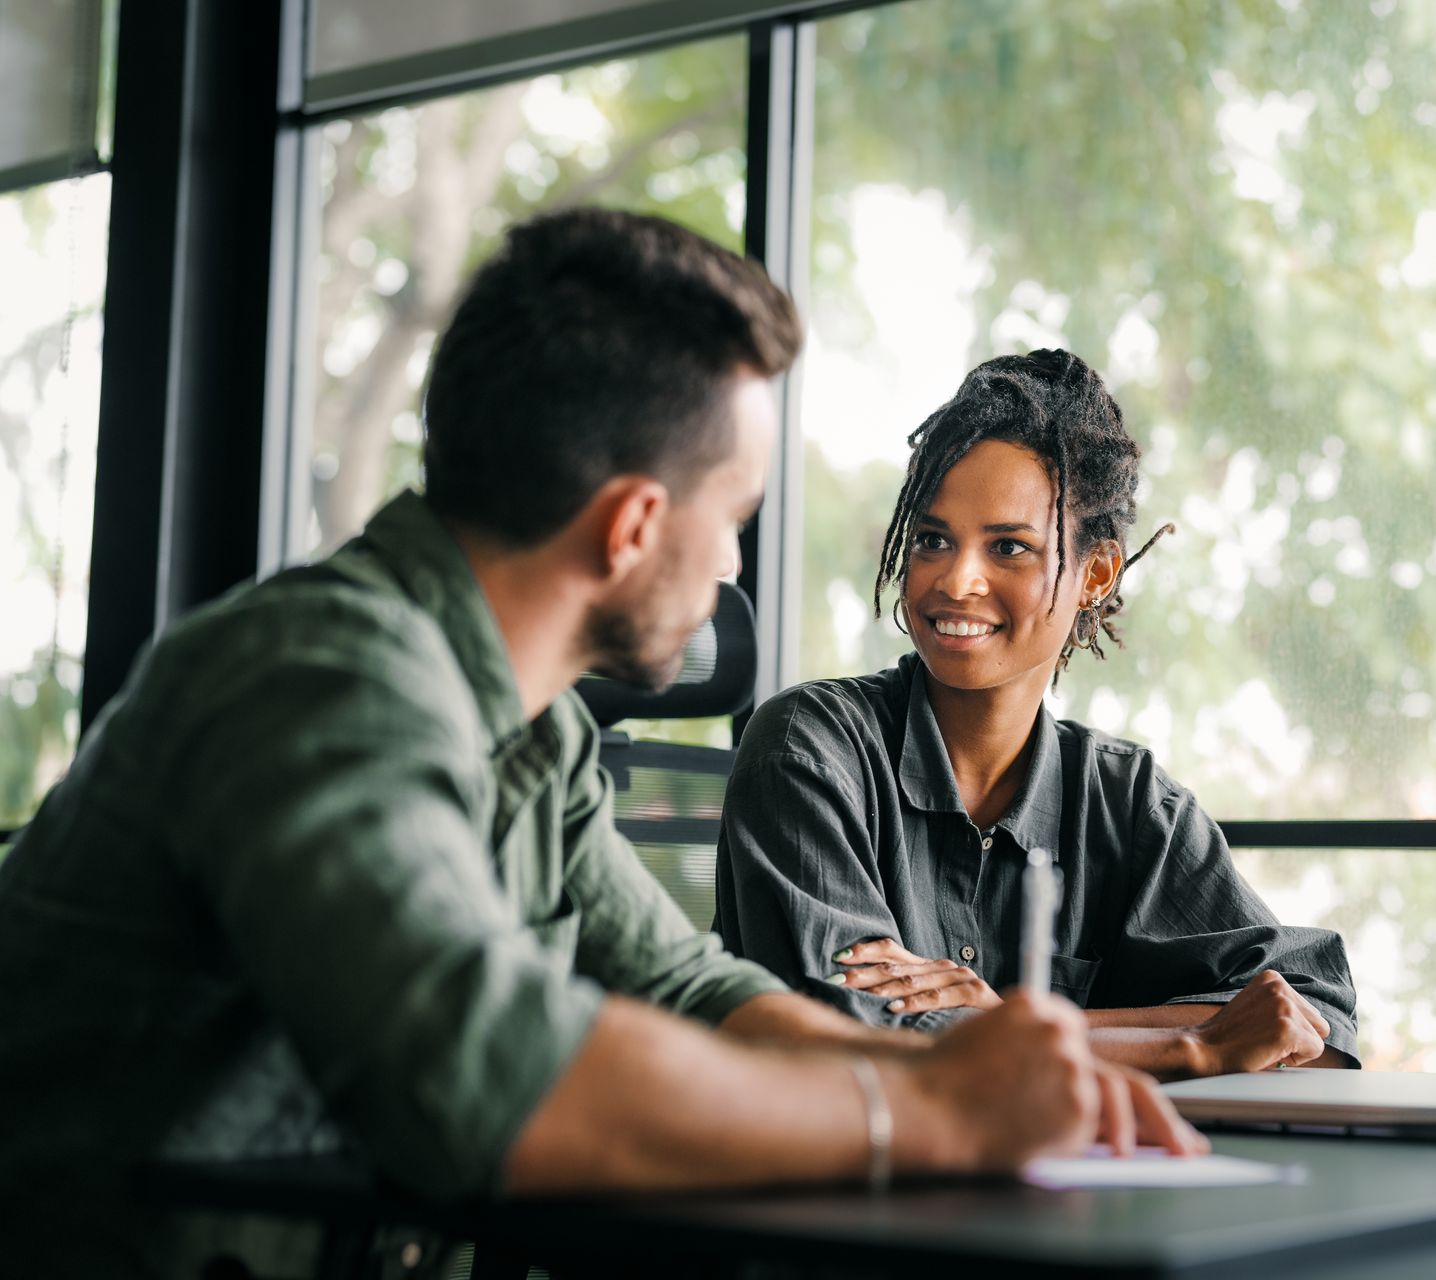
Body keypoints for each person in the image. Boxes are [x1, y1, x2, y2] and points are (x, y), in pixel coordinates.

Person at [0, 213, 1200, 1277]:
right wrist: (927, 1124)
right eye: (731, 520)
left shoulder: (534, 736)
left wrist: (945, 1076)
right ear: (631, 525)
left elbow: (690, 986)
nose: (734, 565)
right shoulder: (320, 682)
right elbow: (490, 1074)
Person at [715, 350, 1359, 1078]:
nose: (956, 579)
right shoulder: (807, 749)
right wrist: (1190, 1044)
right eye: (932, 540)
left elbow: (1312, 1013)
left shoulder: (1127, 803)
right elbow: (854, 1037)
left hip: (1082, 1188)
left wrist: (1014, 1022)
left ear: (1095, 574)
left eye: (1008, 547)